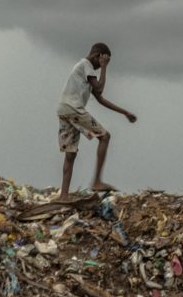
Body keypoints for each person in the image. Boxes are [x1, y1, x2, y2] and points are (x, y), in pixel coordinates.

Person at [56, 42, 136, 201]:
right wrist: (105, 67)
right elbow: (99, 88)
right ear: (97, 57)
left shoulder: (84, 70)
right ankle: (97, 181)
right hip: (73, 108)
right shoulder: (86, 65)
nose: (99, 69)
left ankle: (63, 196)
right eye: (100, 64)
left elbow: (100, 98)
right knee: (105, 137)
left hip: (64, 109)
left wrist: (124, 112)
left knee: (70, 154)